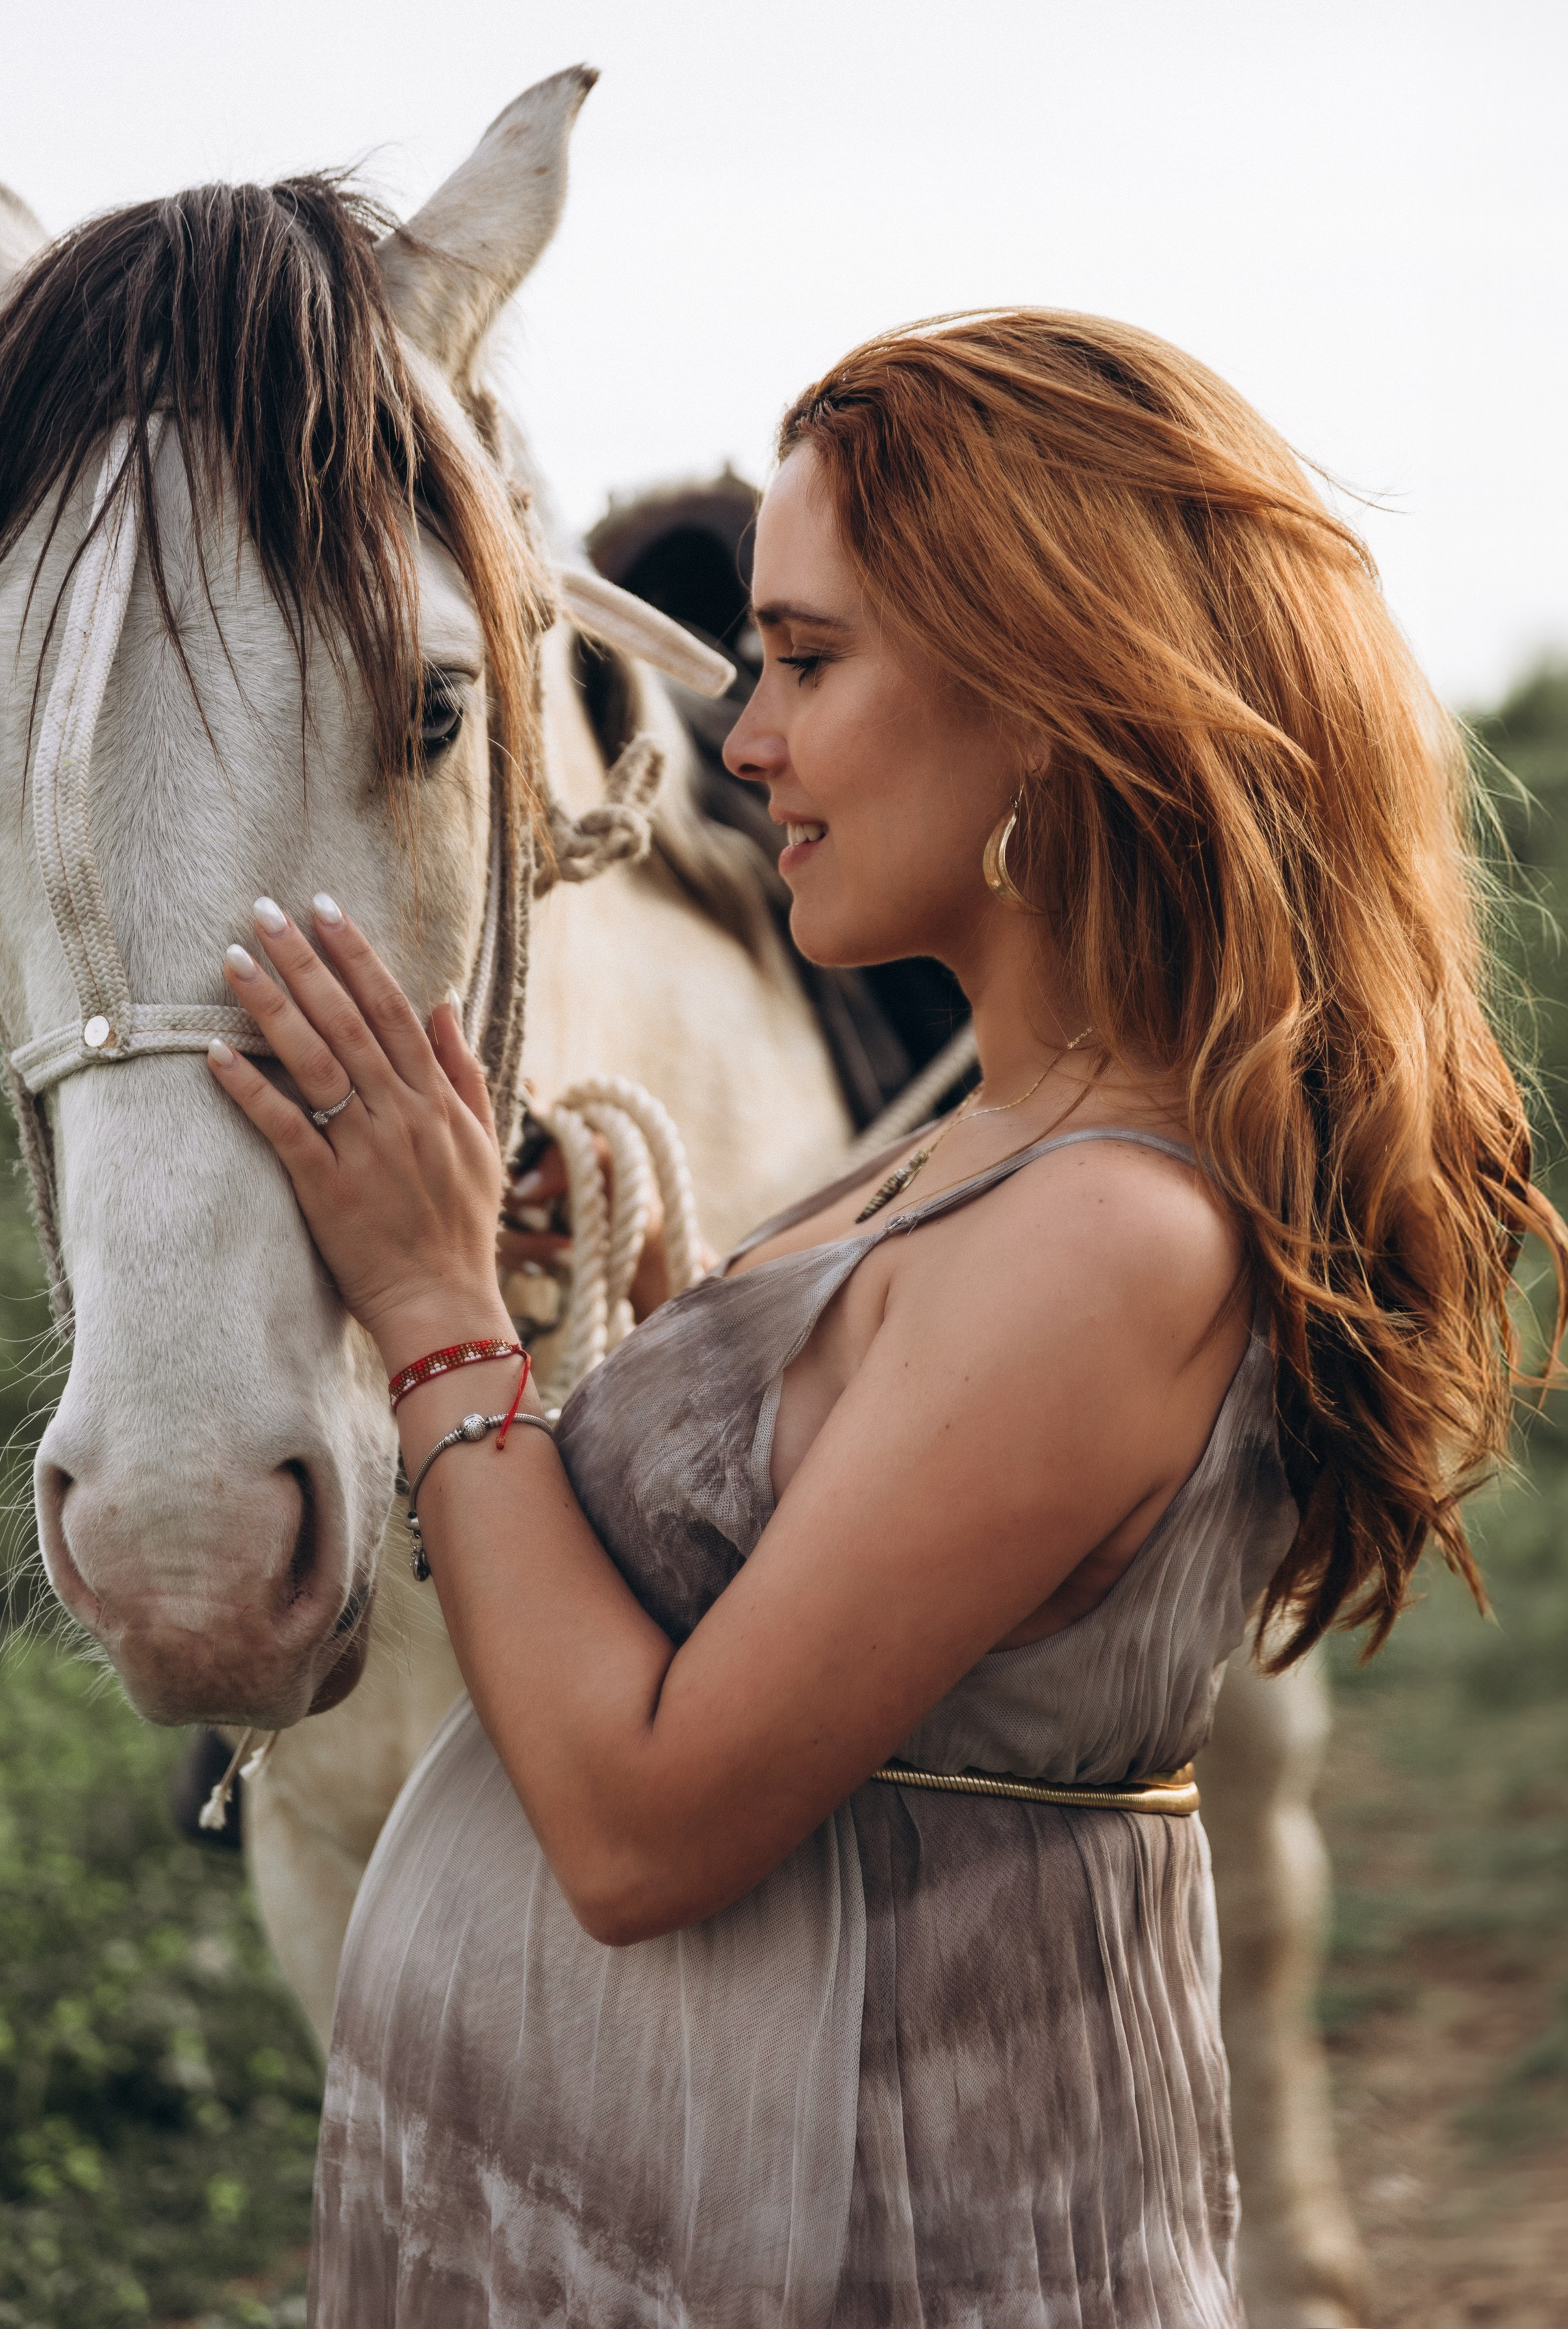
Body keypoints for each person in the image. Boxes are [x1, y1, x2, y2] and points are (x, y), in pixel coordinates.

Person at [206, 312, 1565, 2328]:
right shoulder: (1001, 1146)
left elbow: (645, 1822)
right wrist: (618, 1293)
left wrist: (433, 1313)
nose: (744, 744)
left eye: (808, 661)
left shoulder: (1110, 1234)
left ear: (1044, 690)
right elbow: (813, 1515)